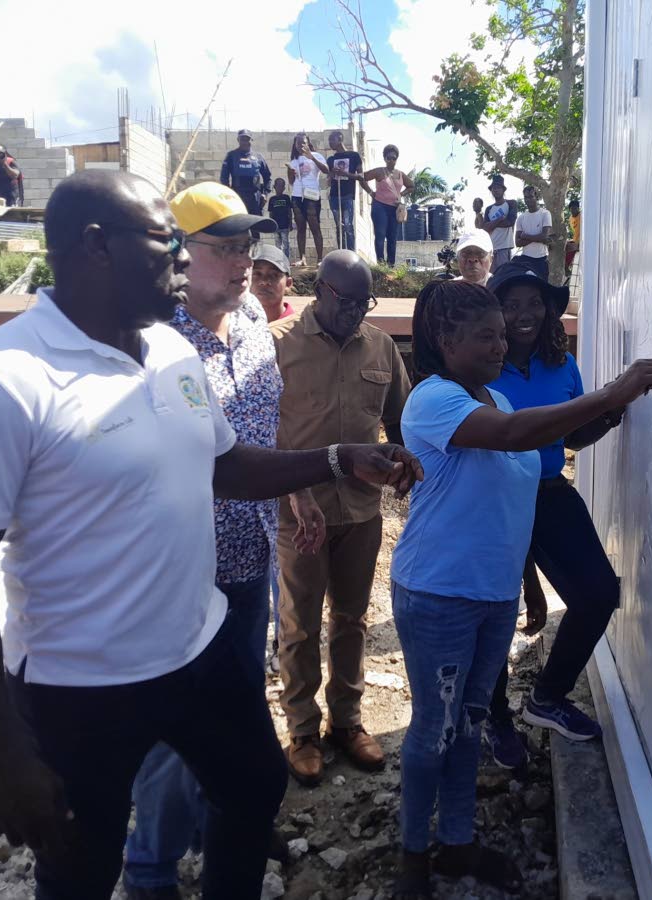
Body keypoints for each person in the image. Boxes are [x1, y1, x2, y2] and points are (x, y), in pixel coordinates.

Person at [0, 169, 422, 900]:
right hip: (81, 688)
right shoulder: (1, 382)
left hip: (201, 650)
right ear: (96, 248)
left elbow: (225, 466)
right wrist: (7, 751)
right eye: (165, 244)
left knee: (252, 789)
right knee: (80, 866)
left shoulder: (170, 351)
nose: (182, 261)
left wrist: (340, 459)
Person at [389, 280, 652, 899]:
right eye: (484, 335)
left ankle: (457, 843)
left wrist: (529, 591)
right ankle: (412, 856)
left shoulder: (494, 396)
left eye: (500, 333)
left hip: (491, 596)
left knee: (467, 723)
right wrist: (614, 389)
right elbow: (516, 440)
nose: (500, 342)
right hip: (439, 592)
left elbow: (515, 496)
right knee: (433, 726)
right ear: (445, 340)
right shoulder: (433, 400)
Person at [122, 182, 304, 898]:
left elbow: (257, 429)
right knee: (171, 731)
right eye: (224, 248)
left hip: (251, 552)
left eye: (245, 247)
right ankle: (151, 867)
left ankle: (226, 824)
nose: (240, 262)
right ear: (179, 252)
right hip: (179, 571)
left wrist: (291, 495)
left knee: (237, 704)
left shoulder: (255, 315)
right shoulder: (148, 340)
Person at [271, 250, 411, 786]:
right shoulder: (279, 344)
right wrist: (295, 489)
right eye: (347, 301)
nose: (356, 311)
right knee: (299, 626)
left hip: (360, 510)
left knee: (351, 620)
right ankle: (303, 729)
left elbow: (402, 419)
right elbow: (265, 429)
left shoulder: (379, 346)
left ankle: (347, 722)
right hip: (299, 512)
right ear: (321, 291)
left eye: (364, 302)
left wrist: (402, 459)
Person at [483, 263, 625, 769]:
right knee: (496, 613)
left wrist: (605, 417)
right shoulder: (482, 367)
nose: (524, 314)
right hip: (494, 500)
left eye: (534, 302)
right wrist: (528, 581)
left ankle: (547, 697)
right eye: (511, 303)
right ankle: (495, 718)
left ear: (548, 310)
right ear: (494, 311)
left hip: (547, 490)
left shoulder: (561, 364)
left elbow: (567, 438)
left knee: (600, 593)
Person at [360, 144, 414, 267]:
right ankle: (381, 264)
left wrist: (402, 194)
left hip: (394, 209)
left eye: (394, 158)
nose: (391, 160)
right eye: (389, 157)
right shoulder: (379, 171)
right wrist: (370, 192)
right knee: (380, 236)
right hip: (380, 207)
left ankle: (391, 265)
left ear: (397, 159)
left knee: (392, 238)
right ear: (384, 158)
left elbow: (411, 186)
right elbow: (362, 177)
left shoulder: (401, 174)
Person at [288, 132, 329, 267]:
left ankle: (319, 259)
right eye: (298, 143)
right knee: (300, 228)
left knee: (315, 226)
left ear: (308, 143)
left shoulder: (316, 156)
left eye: (303, 142)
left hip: (312, 195)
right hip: (297, 195)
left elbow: (326, 170)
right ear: (295, 145)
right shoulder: (294, 160)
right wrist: (290, 172)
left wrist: (312, 157)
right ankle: (302, 258)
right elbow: (291, 181)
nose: (301, 145)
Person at [219, 129, 272, 216]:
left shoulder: (258, 157)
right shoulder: (231, 156)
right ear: (238, 140)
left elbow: (267, 177)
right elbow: (224, 178)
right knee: (239, 226)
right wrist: (229, 194)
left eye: (247, 139)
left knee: (256, 226)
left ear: (251, 140)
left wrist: (265, 194)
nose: (245, 142)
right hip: (237, 197)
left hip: (255, 198)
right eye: (242, 139)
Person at [327, 130, 363, 252]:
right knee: (339, 226)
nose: (330, 143)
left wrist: (345, 174)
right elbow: (328, 178)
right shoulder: (331, 159)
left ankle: (351, 253)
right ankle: (341, 252)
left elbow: (360, 176)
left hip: (347, 195)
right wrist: (331, 174)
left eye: (332, 140)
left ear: (340, 140)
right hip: (334, 195)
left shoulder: (354, 156)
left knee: (348, 225)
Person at [473, 175, 517, 268]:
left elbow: (510, 222)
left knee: (503, 278)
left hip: (504, 248)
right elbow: (485, 228)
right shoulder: (489, 209)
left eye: (498, 187)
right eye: (493, 188)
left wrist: (491, 224)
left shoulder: (511, 203)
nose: (495, 190)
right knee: (491, 278)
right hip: (490, 249)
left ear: (503, 189)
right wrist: (499, 219)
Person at [514, 185, 554, 280]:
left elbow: (544, 236)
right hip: (525, 259)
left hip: (541, 259)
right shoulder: (521, 218)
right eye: (525, 197)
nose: (528, 200)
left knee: (542, 289)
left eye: (531, 197)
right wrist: (538, 238)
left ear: (537, 197)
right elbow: (518, 243)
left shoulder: (545, 214)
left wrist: (525, 236)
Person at [251, 243, 296, 322]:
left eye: (274, 275)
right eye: (256, 274)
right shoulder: (231, 326)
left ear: (288, 283)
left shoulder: (299, 328)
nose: (264, 281)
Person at [268, 178, 294, 261]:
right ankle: (278, 260)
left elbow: (289, 211)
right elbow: (271, 213)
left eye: (281, 186)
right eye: (278, 186)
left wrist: (290, 223)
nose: (280, 188)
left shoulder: (286, 198)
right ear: (274, 187)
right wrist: (271, 224)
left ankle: (286, 260)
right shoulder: (272, 199)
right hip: (276, 226)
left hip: (285, 225)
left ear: (284, 188)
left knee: (286, 244)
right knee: (277, 244)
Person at [565, 198, 580, 278]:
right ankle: (566, 267)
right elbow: (575, 232)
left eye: (575, 208)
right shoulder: (570, 219)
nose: (573, 210)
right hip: (575, 239)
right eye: (572, 209)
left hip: (581, 242)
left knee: (572, 247)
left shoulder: (582, 215)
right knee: (564, 245)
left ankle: (566, 267)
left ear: (578, 208)